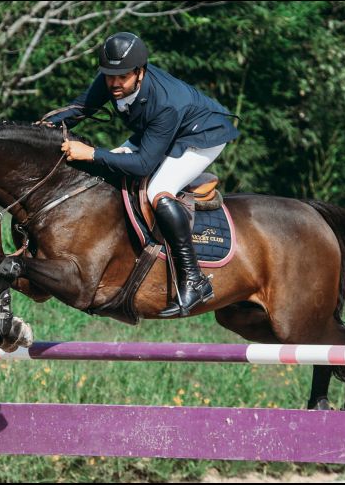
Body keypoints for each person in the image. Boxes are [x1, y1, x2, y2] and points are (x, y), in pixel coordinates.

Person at [45, 32, 239, 318]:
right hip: (158, 131)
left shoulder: (167, 103)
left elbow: (143, 165)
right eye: (109, 75)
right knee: (113, 167)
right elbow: (79, 109)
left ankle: (194, 280)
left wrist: (93, 153)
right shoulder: (111, 81)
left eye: (121, 77)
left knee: (157, 191)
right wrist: (41, 127)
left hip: (202, 134)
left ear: (140, 72)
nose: (113, 83)